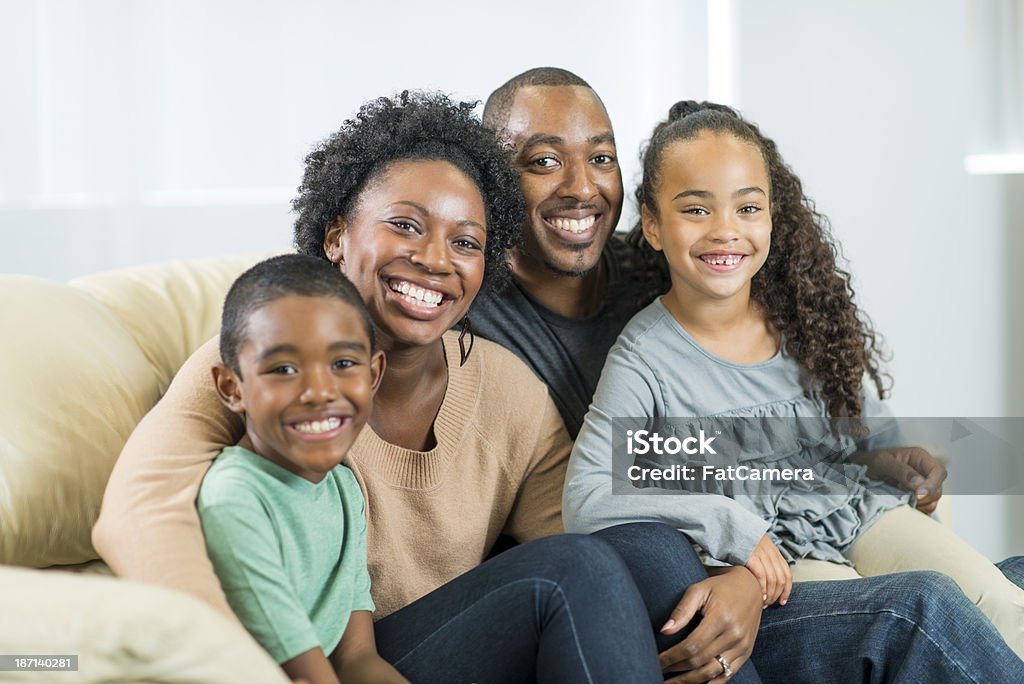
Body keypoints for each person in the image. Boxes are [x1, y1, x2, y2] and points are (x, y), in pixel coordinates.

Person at [93, 91, 670, 682]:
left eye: (466, 242)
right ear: (337, 236)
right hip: (315, 661)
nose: (435, 260)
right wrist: (231, 666)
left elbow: (590, 526)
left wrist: (729, 577)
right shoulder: (264, 369)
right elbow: (136, 512)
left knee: (654, 562)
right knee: (573, 571)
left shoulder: (508, 391)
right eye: (405, 226)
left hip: (432, 650)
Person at [479, 67, 1024, 681]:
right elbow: (591, 493)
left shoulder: (798, 316)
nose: (724, 230)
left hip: (855, 510)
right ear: (653, 226)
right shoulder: (640, 354)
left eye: (746, 208)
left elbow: (856, 429)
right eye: (696, 209)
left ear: (771, 218)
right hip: (772, 551)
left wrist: (895, 457)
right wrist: (732, 528)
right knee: (906, 614)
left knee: (1000, 603)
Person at [198, 254, 401, 683]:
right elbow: (308, 672)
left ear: (374, 373)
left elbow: (357, 658)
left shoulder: (343, 488)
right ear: (231, 388)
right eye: (284, 369)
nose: (319, 392)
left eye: (343, 364)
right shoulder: (235, 500)